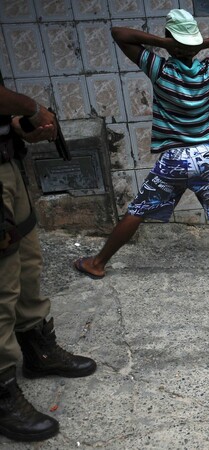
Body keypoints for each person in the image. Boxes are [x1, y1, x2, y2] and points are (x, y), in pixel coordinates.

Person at [73, 9, 209, 279]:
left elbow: (119, 34)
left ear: (170, 38)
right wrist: (200, 45)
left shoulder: (159, 69)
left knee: (137, 211)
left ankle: (98, 263)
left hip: (173, 161)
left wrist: (164, 45)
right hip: (206, 159)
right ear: (194, 41)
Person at [0, 81, 97, 442]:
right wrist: (31, 108)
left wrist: (18, 125)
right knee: (0, 283)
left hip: (7, 162)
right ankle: (2, 392)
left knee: (26, 262)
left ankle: (38, 351)